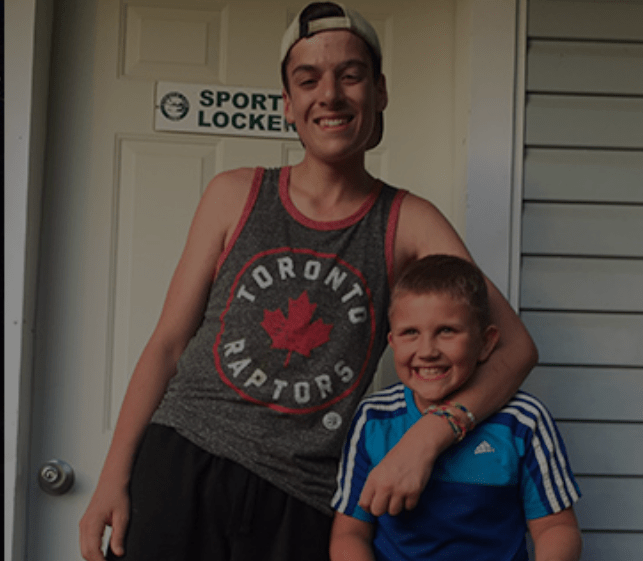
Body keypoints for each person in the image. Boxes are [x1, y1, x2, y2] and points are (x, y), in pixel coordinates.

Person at [79, 3, 538, 561]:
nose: (330, 95)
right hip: (183, 464)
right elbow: (168, 345)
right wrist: (113, 477)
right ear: (288, 103)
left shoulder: (409, 222)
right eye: (309, 79)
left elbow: (515, 347)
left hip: (302, 498)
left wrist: (430, 435)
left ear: (380, 91)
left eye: (351, 75)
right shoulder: (234, 194)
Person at [331, 254, 582, 561]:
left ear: (486, 343)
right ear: (392, 342)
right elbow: (350, 534)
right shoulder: (373, 418)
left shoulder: (524, 421)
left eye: (447, 331)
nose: (427, 351)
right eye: (410, 332)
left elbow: (556, 528)